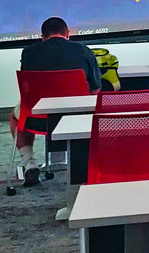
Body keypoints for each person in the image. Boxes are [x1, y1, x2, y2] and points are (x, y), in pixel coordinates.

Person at [15, 16, 101, 186]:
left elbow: (26, 91)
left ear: (43, 36)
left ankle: (29, 162)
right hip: (76, 118)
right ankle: (76, 161)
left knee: (16, 115)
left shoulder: (28, 52)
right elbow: (95, 89)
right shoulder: (84, 50)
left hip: (39, 120)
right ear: (67, 33)